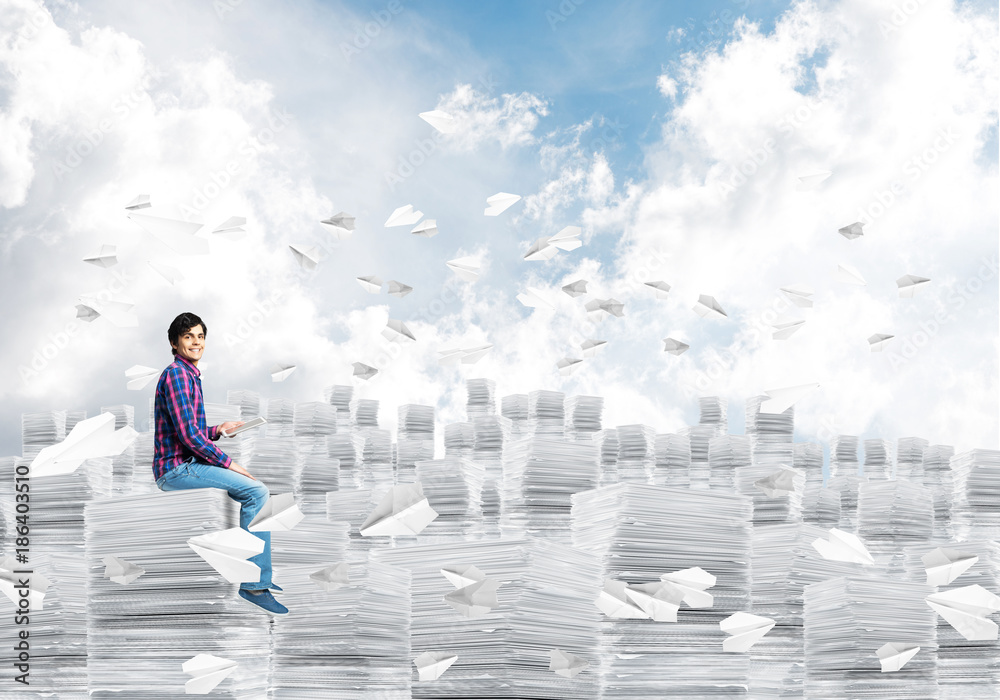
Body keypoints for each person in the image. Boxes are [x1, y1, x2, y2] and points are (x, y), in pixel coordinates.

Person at [152, 311, 288, 616]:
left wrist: (219, 430)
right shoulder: (176, 375)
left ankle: (260, 573)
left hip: (184, 463)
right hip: (175, 469)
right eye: (188, 337)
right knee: (257, 492)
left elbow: (191, 430)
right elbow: (188, 437)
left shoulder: (189, 375)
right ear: (175, 343)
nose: (196, 342)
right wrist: (230, 464)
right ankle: (253, 584)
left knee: (255, 491)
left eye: (200, 336)